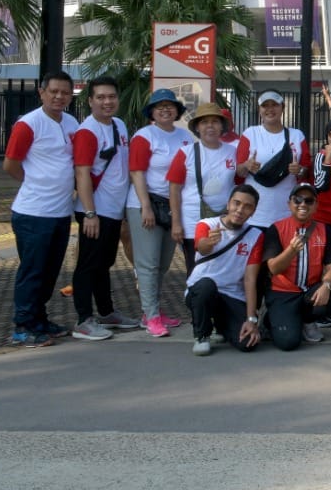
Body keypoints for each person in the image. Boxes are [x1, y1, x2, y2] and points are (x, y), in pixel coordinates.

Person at [4, 71, 79, 346]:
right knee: (32, 272)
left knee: (49, 273)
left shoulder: (71, 122)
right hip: (33, 214)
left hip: (60, 213)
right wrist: (35, 182)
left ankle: (39, 319)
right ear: (42, 92)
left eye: (65, 93)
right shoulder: (28, 124)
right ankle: (23, 326)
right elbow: (10, 165)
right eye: (53, 91)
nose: (59, 97)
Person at [70, 75, 137, 340]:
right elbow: (82, 173)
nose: (107, 102)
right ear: (90, 101)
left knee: (104, 263)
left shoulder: (119, 125)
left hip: (114, 210)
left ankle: (107, 313)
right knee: (88, 264)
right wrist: (90, 213)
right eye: (100, 97)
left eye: (111, 96)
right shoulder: (87, 131)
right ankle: (83, 320)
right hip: (95, 211)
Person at [128, 88, 193, 338]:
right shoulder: (144, 136)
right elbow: (137, 172)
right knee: (148, 263)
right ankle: (151, 315)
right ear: (152, 112)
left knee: (163, 263)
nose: (165, 110)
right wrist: (145, 205)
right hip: (146, 204)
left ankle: (152, 311)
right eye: (159, 106)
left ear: (177, 110)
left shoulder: (185, 136)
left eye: (170, 106)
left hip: (172, 205)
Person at [250, 182, 331, 350]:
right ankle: (270, 320)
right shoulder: (276, 228)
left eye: (309, 201)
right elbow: (273, 268)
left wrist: (327, 285)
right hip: (283, 292)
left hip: (310, 290)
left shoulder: (325, 230)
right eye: (298, 200)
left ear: (316, 205)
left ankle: (307, 321)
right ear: (289, 204)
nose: (303, 204)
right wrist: (291, 250)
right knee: (288, 343)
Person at [184, 185, 264, 355]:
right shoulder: (206, 224)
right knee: (206, 285)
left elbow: (250, 279)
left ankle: (221, 326)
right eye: (236, 203)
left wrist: (251, 319)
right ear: (228, 204)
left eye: (247, 206)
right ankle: (202, 335)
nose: (240, 210)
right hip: (201, 292)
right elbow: (201, 247)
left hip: (232, 295)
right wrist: (209, 242)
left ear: (253, 211)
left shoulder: (255, 235)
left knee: (248, 343)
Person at [166, 102, 239, 275]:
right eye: (204, 122)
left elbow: (240, 182)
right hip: (192, 221)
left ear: (222, 126)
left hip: (224, 221)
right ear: (197, 127)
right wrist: (176, 223)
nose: (210, 126)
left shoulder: (233, 151)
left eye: (215, 121)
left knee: (223, 269)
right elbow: (174, 189)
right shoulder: (186, 152)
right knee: (196, 270)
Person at [236, 89, 309, 229]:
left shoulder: (297, 135)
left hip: (286, 213)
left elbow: (306, 170)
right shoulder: (250, 133)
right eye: (265, 105)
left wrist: (299, 170)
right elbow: (239, 171)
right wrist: (246, 166)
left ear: (282, 107)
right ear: (259, 109)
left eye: (274, 105)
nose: (270, 109)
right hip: (255, 215)